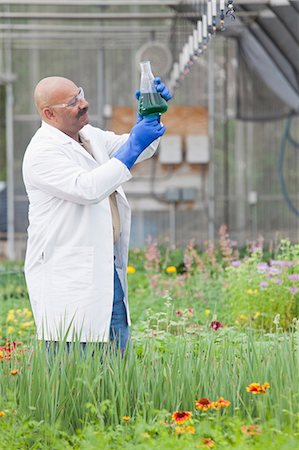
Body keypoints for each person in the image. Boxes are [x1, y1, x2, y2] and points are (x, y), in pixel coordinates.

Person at [22, 75, 172, 353]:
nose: (84, 103)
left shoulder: (90, 136)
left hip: (106, 273)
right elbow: (88, 188)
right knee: (74, 376)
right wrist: (135, 145)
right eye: (73, 102)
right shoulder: (41, 153)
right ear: (49, 114)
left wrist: (150, 117)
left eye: (80, 94)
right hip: (69, 283)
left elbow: (141, 148)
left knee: (116, 374)